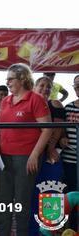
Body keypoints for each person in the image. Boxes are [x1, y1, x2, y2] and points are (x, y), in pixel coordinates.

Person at [0, 63, 52, 236]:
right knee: (4, 201)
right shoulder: (6, 100)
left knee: (22, 202)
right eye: (7, 79)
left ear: (23, 79)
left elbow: (48, 129)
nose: (7, 82)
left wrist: (34, 154)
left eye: (11, 79)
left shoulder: (36, 99)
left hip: (26, 157)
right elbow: (0, 126)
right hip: (4, 157)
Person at [28, 76, 66, 235]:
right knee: (32, 196)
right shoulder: (28, 104)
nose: (45, 89)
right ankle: (32, 232)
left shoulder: (54, 103)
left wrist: (50, 147)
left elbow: (57, 127)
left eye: (48, 87)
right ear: (34, 87)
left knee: (51, 195)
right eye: (42, 85)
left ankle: (49, 232)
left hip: (50, 157)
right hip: (31, 156)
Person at [59, 74, 79, 232]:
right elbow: (62, 131)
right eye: (76, 84)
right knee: (72, 195)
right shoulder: (68, 107)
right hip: (70, 160)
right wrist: (63, 137)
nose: (78, 87)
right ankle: (72, 229)